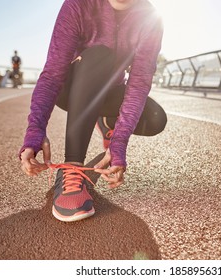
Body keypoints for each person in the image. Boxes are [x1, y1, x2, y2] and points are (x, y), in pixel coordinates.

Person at [19, 0, 166, 222]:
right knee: (99, 55)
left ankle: (105, 120)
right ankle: (72, 165)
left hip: (109, 90)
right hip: (72, 88)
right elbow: (51, 75)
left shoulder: (150, 19)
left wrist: (119, 140)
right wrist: (35, 130)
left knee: (155, 119)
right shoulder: (78, 4)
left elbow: (138, 84)